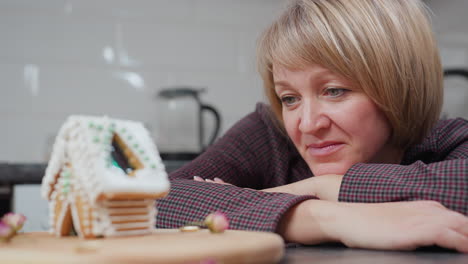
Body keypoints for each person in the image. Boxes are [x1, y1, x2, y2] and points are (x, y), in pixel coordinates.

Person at [156, 0, 468, 252]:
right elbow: (154, 201)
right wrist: (323, 217)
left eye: (334, 91)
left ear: (401, 87)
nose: (307, 124)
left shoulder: (450, 140)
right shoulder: (270, 133)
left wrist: (325, 186)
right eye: (289, 98)